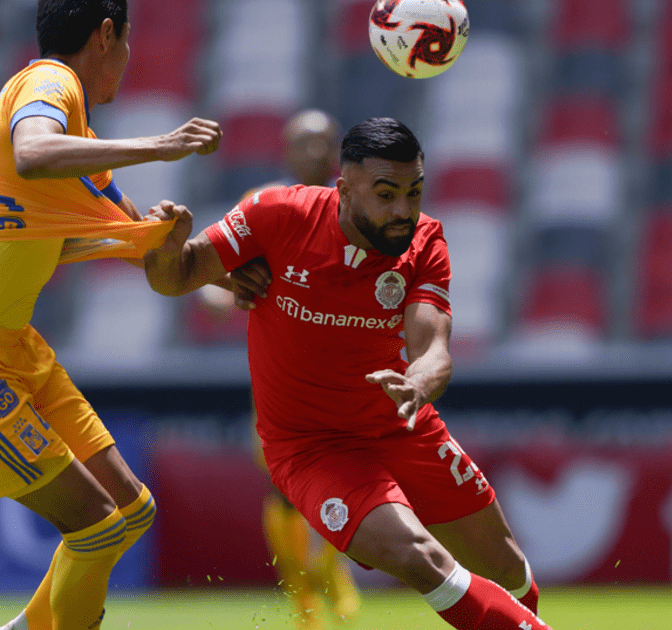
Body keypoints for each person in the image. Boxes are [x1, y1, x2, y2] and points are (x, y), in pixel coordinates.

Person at [0, 2, 262, 629]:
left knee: (131, 511)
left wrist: (206, 262)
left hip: (14, 349)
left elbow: (155, 270)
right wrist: (161, 145)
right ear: (106, 34)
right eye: (127, 44)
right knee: (96, 524)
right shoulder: (49, 81)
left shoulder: (84, 155)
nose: (128, 61)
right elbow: (34, 151)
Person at [144, 118, 548, 630]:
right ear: (345, 187)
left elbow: (434, 350)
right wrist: (168, 252)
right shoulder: (273, 212)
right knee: (421, 558)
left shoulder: (424, 242)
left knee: (507, 567)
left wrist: (418, 383)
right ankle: (310, 606)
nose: (403, 209)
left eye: (414, 192)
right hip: (312, 446)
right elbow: (177, 277)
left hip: (401, 423)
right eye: (386, 195)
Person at [201, 109, 361, 629]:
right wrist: (228, 295)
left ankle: (330, 568)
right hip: (281, 370)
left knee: (349, 475)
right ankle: (303, 595)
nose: (315, 151)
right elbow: (209, 272)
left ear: (338, 150)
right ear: (288, 152)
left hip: (346, 366)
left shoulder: (358, 211)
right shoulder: (266, 204)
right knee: (284, 485)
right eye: (304, 143)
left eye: (324, 142)